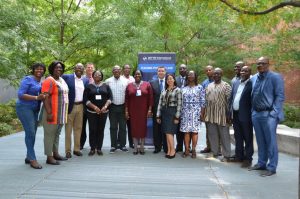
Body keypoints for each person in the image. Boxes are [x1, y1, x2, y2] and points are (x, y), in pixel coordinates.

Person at [249, 57, 285, 177]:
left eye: (263, 63)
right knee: (260, 141)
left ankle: (272, 167)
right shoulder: (253, 78)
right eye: (258, 63)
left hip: (269, 114)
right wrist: (253, 111)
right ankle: (261, 163)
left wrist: (274, 113)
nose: (260, 65)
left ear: (268, 64)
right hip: (256, 114)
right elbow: (252, 95)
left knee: (271, 142)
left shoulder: (275, 77)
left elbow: (279, 96)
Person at [16, 63, 46, 169]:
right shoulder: (28, 79)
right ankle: (33, 159)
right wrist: (37, 97)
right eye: (37, 69)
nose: (39, 71)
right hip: (24, 108)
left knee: (32, 133)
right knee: (31, 133)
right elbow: (20, 94)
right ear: (33, 70)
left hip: (35, 110)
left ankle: (28, 156)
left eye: (42, 69)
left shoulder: (41, 82)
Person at [41, 61, 69, 165]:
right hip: (51, 113)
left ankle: (56, 153)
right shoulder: (49, 80)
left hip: (60, 114)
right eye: (57, 67)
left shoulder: (61, 80)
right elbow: (45, 97)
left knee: (56, 134)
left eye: (61, 68)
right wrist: (49, 112)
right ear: (52, 69)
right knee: (49, 135)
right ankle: (49, 157)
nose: (59, 69)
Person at [203, 68, 232, 162]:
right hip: (210, 114)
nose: (216, 75)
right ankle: (215, 153)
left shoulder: (226, 86)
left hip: (222, 114)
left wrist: (229, 115)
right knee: (212, 135)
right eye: (214, 74)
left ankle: (227, 155)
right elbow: (205, 99)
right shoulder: (209, 86)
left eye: (218, 74)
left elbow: (229, 101)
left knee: (224, 135)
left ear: (221, 75)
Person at [62, 63, 89, 158]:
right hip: (70, 106)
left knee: (78, 129)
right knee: (68, 129)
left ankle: (77, 149)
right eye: (77, 67)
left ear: (83, 70)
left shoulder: (85, 80)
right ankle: (68, 151)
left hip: (81, 106)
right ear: (74, 68)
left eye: (81, 68)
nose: (79, 69)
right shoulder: (66, 77)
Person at [229, 66, 254, 168]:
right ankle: (239, 156)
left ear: (249, 73)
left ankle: (248, 158)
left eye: (245, 71)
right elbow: (232, 98)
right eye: (242, 71)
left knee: (247, 137)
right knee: (238, 136)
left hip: (246, 115)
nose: (243, 72)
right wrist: (229, 113)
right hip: (235, 114)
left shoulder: (252, 84)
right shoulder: (236, 82)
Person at [83, 70, 112, 156]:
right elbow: (85, 99)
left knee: (100, 130)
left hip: (103, 111)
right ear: (93, 76)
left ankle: (99, 148)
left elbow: (110, 97)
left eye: (99, 75)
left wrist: (105, 106)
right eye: (96, 75)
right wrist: (94, 107)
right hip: (91, 112)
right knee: (92, 130)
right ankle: (92, 148)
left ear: (101, 76)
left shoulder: (106, 86)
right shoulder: (88, 86)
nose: (97, 76)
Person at [125, 69, 153, 155]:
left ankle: (141, 147)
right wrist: (126, 111)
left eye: (139, 74)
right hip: (132, 111)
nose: (137, 75)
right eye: (136, 74)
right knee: (134, 128)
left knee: (142, 128)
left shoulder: (147, 84)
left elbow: (150, 98)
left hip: (143, 111)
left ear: (141, 75)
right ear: (133, 75)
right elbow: (126, 99)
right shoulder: (129, 85)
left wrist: (150, 110)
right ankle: (135, 147)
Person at [180, 70, 205, 158]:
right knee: (186, 132)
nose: (190, 76)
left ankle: (193, 150)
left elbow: (203, 101)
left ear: (195, 76)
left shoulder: (200, 87)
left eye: (192, 75)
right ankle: (187, 149)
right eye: (189, 75)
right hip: (185, 112)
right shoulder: (183, 88)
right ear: (187, 77)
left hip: (196, 112)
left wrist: (202, 113)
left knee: (194, 132)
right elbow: (181, 101)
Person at [156, 74, 182, 159]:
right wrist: (158, 116)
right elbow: (160, 104)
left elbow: (179, 104)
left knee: (169, 132)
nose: (169, 80)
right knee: (167, 133)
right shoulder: (164, 91)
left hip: (173, 112)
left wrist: (177, 117)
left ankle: (173, 151)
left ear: (174, 80)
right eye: (168, 79)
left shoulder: (178, 90)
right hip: (164, 113)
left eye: (171, 79)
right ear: (166, 81)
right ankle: (169, 150)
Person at [105, 65, 129, 153]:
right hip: (112, 107)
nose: (116, 71)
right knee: (113, 127)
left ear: (121, 71)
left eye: (118, 70)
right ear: (112, 71)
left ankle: (122, 145)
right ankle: (113, 146)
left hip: (123, 106)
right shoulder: (108, 81)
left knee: (123, 127)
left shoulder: (126, 81)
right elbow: (106, 95)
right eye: (114, 70)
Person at [150, 66, 167, 154]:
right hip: (156, 110)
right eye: (159, 71)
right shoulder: (152, 83)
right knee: (156, 129)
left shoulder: (169, 82)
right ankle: (157, 147)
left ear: (165, 72)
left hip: (167, 111)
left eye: (162, 71)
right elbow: (150, 97)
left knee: (166, 129)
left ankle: (166, 147)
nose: (160, 72)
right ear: (157, 73)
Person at [80, 62, 95, 150]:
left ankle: (92, 144)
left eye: (91, 67)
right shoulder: (81, 79)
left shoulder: (97, 79)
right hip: (83, 106)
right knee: (82, 127)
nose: (90, 69)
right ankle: (81, 144)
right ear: (86, 69)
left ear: (93, 69)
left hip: (93, 107)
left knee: (92, 127)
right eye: (88, 67)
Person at [200, 65, 214, 154]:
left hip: (216, 109)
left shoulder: (218, 81)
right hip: (207, 108)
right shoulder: (204, 83)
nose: (208, 71)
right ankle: (209, 146)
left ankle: (217, 147)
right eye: (207, 70)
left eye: (210, 70)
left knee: (216, 128)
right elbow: (202, 97)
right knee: (208, 128)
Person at [175, 64, 187, 153]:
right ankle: (179, 146)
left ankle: (187, 147)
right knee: (178, 128)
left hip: (188, 108)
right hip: (177, 107)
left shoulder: (190, 78)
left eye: (184, 68)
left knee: (187, 128)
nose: (182, 69)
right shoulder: (175, 79)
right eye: (180, 68)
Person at [122, 64, 135, 149]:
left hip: (131, 105)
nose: (127, 69)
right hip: (121, 104)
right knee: (122, 125)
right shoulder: (120, 78)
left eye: (128, 68)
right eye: (125, 68)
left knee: (130, 125)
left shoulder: (133, 79)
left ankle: (131, 143)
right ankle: (121, 143)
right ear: (123, 70)